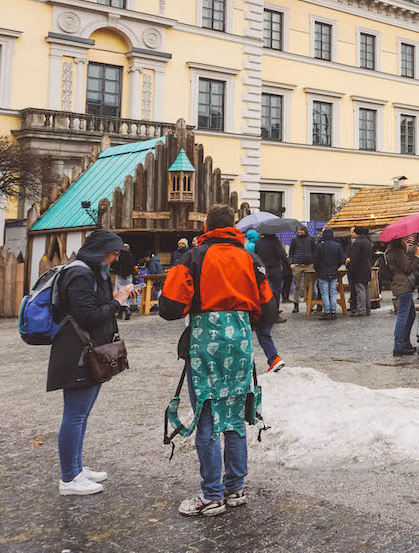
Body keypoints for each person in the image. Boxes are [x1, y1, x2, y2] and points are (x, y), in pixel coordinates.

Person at [160, 204, 272, 516]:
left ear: (208, 227)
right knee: (235, 414)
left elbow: (169, 307)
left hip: (205, 344)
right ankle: (235, 488)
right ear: (233, 227)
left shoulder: (193, 257)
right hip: (239, 343)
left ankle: (211, 495)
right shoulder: (251, 258)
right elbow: (268, 308)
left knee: (207, 416)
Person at [48, 229, 137, 496]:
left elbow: (95, 307)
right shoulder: (80, 273)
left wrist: (117, 298)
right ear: (100, 251)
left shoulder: (90, 270)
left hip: (88, 350)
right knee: (74, 416)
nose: (115, 257)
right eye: (113, 252)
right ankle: (68, 478)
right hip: (77, 352)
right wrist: (116, 301)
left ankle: (76, 468)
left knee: (81, 414)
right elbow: (86, 316)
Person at [252, 230, 287, 369]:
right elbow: (282, 255)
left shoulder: (258, 243)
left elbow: (256, 256)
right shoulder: (275, 242)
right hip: (274, 269)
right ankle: (275, 313)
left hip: (262, 269)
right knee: (274, 293)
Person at [385, 239, 417, 356]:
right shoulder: (397, 252)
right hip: (403, 287)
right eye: (404, 239)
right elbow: (408, 269)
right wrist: (417, 256)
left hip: (400, 286)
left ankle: (405, 342)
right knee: (403, 317)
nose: (406, 241)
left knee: (411, 315)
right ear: (399, 241)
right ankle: (398, 346)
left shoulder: (390, 251)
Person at [313, 228, 345, 319]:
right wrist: (336, 267)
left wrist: (318, 270)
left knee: (325, 293)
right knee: (333, 292)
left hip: (323, 272)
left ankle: (327, 312)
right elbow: (341, 259)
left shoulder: (319, 246)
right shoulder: (337, 245)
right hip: (334, 271)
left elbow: (316, 260)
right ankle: (333, 311)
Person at [346, 226, 374, 317]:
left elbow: (354, 258)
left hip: (358, 270)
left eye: (353, 232)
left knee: (360, 290)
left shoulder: (357, 243)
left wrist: (350, 266)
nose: (352, 234)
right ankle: (367, 309)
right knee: (366, 290)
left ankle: (361, 310)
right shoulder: (367, 242)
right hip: (366, 268)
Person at [287, 226, 317, 313]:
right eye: (298, 230)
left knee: (309, 285)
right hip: (297, 264)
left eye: (301, 230)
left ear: (305, 230)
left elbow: (314, 251)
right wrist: (291, 263)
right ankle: (296, 304)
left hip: (308, 264)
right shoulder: (294, 239)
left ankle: (309, 304)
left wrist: (314, 263)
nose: (299, 231)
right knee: (297, 285)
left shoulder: (311, 238)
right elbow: (291, 252)